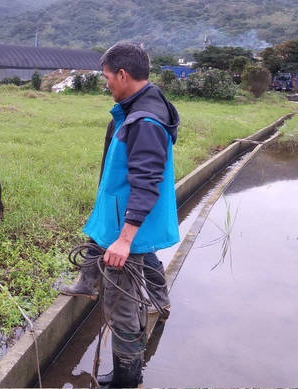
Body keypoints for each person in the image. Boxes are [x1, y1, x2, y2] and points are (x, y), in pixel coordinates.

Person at [60, 41, 180, 387]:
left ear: (123, 75)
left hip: (125, 224)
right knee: (101, 243)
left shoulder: (145, 121)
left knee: (120, 306)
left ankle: (127, 378)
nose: (106, 83)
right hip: (113, 213)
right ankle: (90, 285)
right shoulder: (142, 105)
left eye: (108, 77)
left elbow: (146, 184)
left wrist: (125, 240)